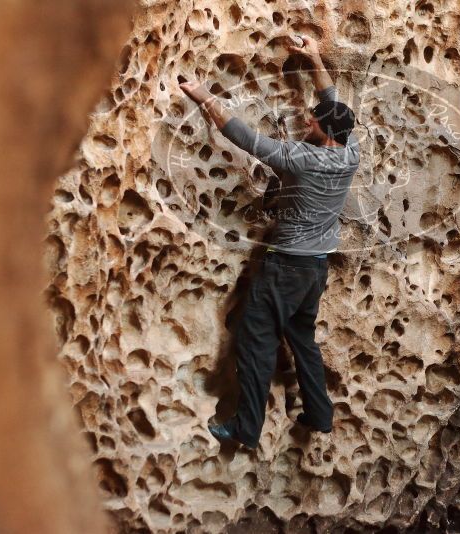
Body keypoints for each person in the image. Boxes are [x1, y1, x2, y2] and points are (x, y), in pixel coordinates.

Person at [180, 36, 360, 448]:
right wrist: (314, 55)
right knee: (302, 339)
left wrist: (206, 97)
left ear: (324, 130)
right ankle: (319, 413)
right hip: (316, 270)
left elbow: (247, 139)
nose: (307, 122)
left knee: (256, 340)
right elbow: (330, 98)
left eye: (313, 121)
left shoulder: (304, 158)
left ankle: (245, 428)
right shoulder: (350, 154)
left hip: (286, 269)